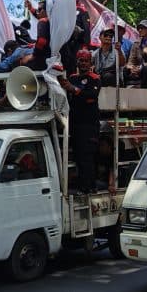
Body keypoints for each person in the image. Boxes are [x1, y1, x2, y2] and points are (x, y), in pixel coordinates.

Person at [58, 49, 101, 193]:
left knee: (87, 156)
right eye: (81, 60)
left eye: (86, 61)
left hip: (89, 124)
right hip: (74, 123)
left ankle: (89, 187)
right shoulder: (72, 77)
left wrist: (73, 89)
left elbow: (92, 96)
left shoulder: (94, 78)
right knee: (77, 155)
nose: (83, 63)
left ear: (90, 63)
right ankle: (81, 186)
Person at [60, 0, 92, 75]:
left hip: (77, 43)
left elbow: (86, 29)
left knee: (74, 63)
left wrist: (85, 45)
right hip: (65, 43)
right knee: (64, 63)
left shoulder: (82, 11)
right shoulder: (63, 11)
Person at [124, 19, 147, 88]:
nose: (139, 30)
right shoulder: (136, 44)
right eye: (139, 28)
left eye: (142, 28)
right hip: (137, 69)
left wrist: (141, 67)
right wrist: (131, 67)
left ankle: (143, 90)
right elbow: (131, 59)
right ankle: (124, 92)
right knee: (125, 70)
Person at [24, 0, 51, 70]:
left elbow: (42, 41)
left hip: (43, 59)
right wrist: (30, 8)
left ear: (46, 11)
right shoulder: (55, 21)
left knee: (18, 61)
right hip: (55, 58)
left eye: (39, 10)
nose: (37, 12)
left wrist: (33, 55)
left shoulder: (43, 21)